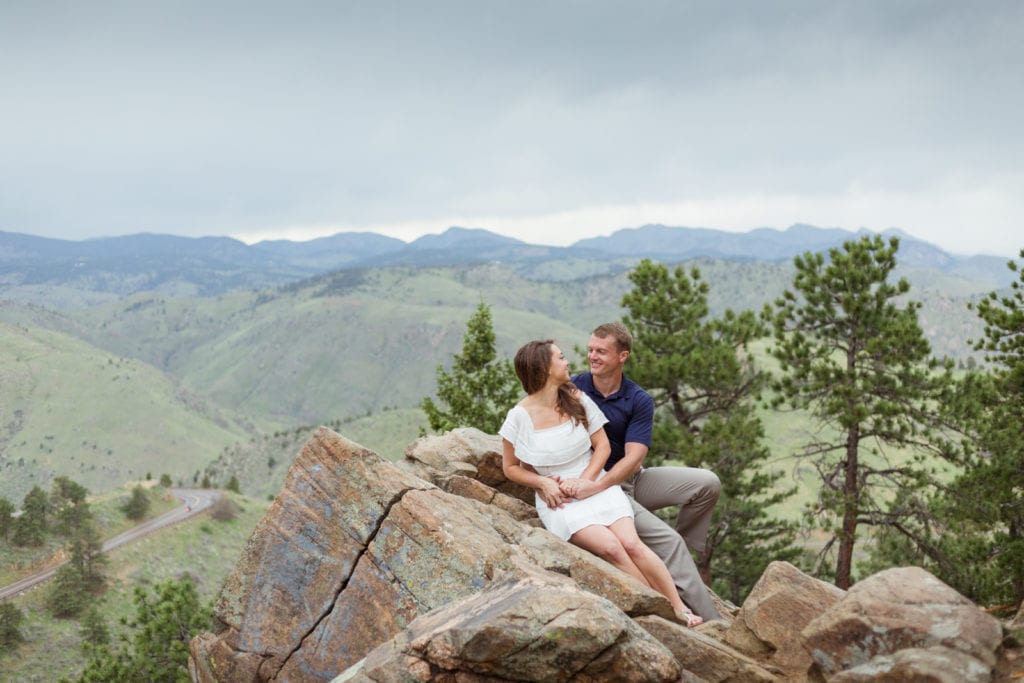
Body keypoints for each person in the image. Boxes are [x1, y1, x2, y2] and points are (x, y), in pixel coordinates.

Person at [499, 339, 704, 627]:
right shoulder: (518, 417)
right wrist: (542, 484)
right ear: (545, 368)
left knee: (632, 544)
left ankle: (679, 607)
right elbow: (510, 467)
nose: (568, 361)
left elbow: (603, 447)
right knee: (612, 548)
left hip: (593, 482)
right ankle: (662, 612)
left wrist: (585, 482)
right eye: (561, 357)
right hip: (561, 501)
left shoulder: (576, 399)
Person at [570, 322, 722, 621]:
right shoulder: (576, 388)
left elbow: (635, 456)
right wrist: (594, 486)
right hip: (604, 487)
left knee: (708, 483)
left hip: (627, 479)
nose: (592, 357)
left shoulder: (637, 399)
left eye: (601, 351)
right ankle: (714, 624)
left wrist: (600, 486)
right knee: (669, 543)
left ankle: (675, 552)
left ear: (622, 356)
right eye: (590, 350)